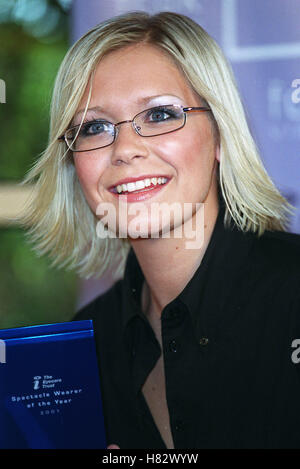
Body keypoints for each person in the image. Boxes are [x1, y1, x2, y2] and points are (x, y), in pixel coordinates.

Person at [20, 11, 300, 449]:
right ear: (73, 165)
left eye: (160, 115)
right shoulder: (82, 351)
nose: (126, 149)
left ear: (221, 137)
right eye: (94, 127)